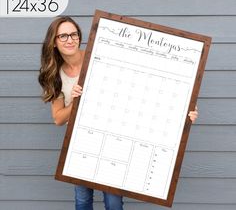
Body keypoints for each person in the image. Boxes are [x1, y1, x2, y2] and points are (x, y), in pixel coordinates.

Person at [38, 16, 198, 210]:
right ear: (54, 42)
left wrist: (183, 110)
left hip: (114, 141)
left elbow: (143, 86)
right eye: (63, 36)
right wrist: (76, 101)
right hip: (80, 145)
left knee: (113, 202)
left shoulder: (100, 55)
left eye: (73, 34)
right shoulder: (54, 75)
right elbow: (58, 119)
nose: (70, 40)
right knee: (82, 201)